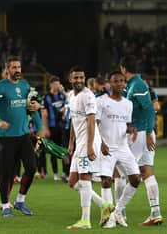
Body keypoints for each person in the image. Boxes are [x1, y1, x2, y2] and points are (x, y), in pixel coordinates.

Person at [0, 56, 42, 217]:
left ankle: (20, 201)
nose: (17, 70)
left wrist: (39, 126)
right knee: (6, 172)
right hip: (6, 137)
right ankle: (5, 205)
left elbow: (32, 107)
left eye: (19, 67)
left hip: (24, 135)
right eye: (14, 67)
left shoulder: (25, 86)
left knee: (31, 168)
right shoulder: (0, 87)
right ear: (7, 70)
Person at [120, 55, 164, 226]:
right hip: (143, 133)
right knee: (146, 172)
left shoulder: (137, 85)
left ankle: (120, 212)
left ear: (124, 69)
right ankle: (155, 212)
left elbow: (149, 109)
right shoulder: (132, 85)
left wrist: (147, 132)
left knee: (123, 173)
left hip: (139, 134)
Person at [97, 71, 141, 228]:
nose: (120, 84)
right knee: (106, 181)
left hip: (123, 147)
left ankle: (118, 211)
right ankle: (108, 219)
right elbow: (94, 124)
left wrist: (132, 130)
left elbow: (126, 125)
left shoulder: (127, 103)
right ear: (109, 83)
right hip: (107, 147)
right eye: (116, 81)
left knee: (136, 179)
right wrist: (100, 143)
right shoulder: (101, 101)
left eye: (122, 81)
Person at [66, 66, 108, 230]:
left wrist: (90, 146)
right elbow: (74, 121)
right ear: (70, 80)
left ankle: (85, 220)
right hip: (80, 143)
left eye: (81, 78)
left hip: (89, 142)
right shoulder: (72, 96)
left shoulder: (88, 96)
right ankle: (105, 205)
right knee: (72, 182)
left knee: (84, 179)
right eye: (75, 78)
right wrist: (71, 143)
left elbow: (91, 121)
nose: (79, 81)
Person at [42, 76, 67, 181]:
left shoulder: (63, 96)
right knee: (54, 150)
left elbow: (71, 101)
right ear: (51, 85)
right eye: (55, 84)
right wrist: (45, 128)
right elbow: (44, 114)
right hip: (52, 127)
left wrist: (64, 92)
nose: (57, 86)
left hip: (63, 126)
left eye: (58, 84)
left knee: (64, 149)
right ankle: (56, 173)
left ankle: (65, 172)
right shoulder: (47, 97)